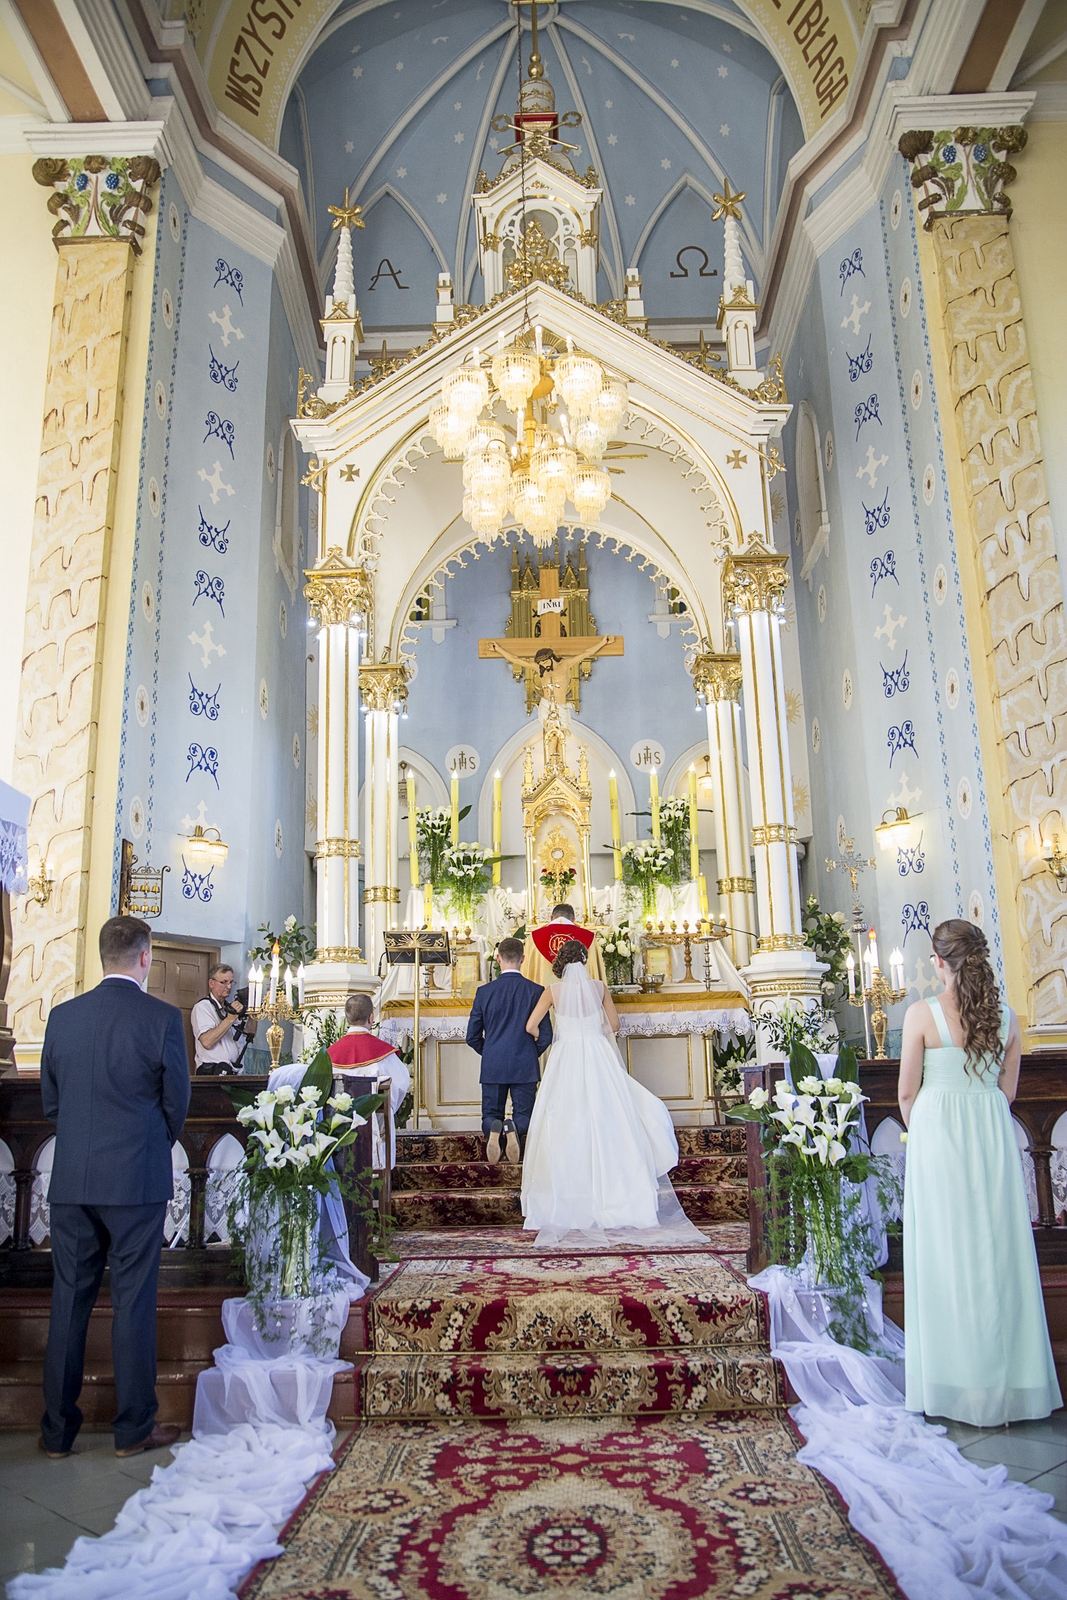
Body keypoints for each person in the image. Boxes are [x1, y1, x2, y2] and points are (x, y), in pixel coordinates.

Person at [898, 917, 1061, 1427]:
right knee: (997, 1251)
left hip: (938, 1135)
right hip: (990, 1130)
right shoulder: (1007, 1018)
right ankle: (1013, 1382)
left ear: (939, 962)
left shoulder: (921, 1015)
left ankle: (952, 1384)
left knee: (945, 1256)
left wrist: (925, 1130)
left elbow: (906, 1092)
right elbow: (1006, 1094)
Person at [39, 915, 190, 1459]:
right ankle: (132, 1430)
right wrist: (150, 1143)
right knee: (132, 1302)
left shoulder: (62, 1017)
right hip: (137, 1180)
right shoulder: (163, 1018)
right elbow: (177, 1102)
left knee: (68, 1302)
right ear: (145, 957)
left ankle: (56, 1432)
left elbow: (51, 1103)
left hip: (73, 1180)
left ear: (102, 956)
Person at [520, 938, 701, 1246]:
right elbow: (614, 1024)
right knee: (608, 1119)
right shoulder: (599, 988)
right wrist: (592, 1032)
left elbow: (530, 1025)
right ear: (585, 960)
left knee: (565, 1122)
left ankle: (563, 1200)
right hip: (596, 1054)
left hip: (566, 1057)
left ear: (561, 963)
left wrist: (559, 1036)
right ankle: (618, 1200)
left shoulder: (553, 991)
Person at [466, 937, 551, 1164]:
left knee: (490, 1114)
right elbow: (546, 1035)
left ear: (497, 958)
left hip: (493, 1063)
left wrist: (491, 1052)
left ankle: (495, 1129)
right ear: (523, 959)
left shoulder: (484, 992)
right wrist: (530, 1052)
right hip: (525, 1062)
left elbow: (472, 1036)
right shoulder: (536, 991)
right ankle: (513, 1127)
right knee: (525, 1114)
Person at [327, 993, 412, 1158]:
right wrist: (384, 1110)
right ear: (371, 1017)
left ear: (347, 1018)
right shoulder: (384, 1054)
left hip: (336, 1134)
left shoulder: (329, 1056)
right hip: (374, 1133)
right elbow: (400, 1084)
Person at [522, 901, 606, 986]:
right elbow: (594, 970)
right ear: (573, 919)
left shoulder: (534, 937)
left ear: (551, 918)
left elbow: (527, 971)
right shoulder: (588, 936)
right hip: (579, 992)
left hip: (544, 994)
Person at [191, 964, 255, 1075]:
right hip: (212, 1074)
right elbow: (207, 1042)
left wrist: (254, 1013)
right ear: (211, 983)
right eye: (224, 982)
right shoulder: (202, 1007)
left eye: (231, 982)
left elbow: (249, 1033)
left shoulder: (231, 1008)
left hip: (233, 1073)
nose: (229, 987)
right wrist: (230, 1018)